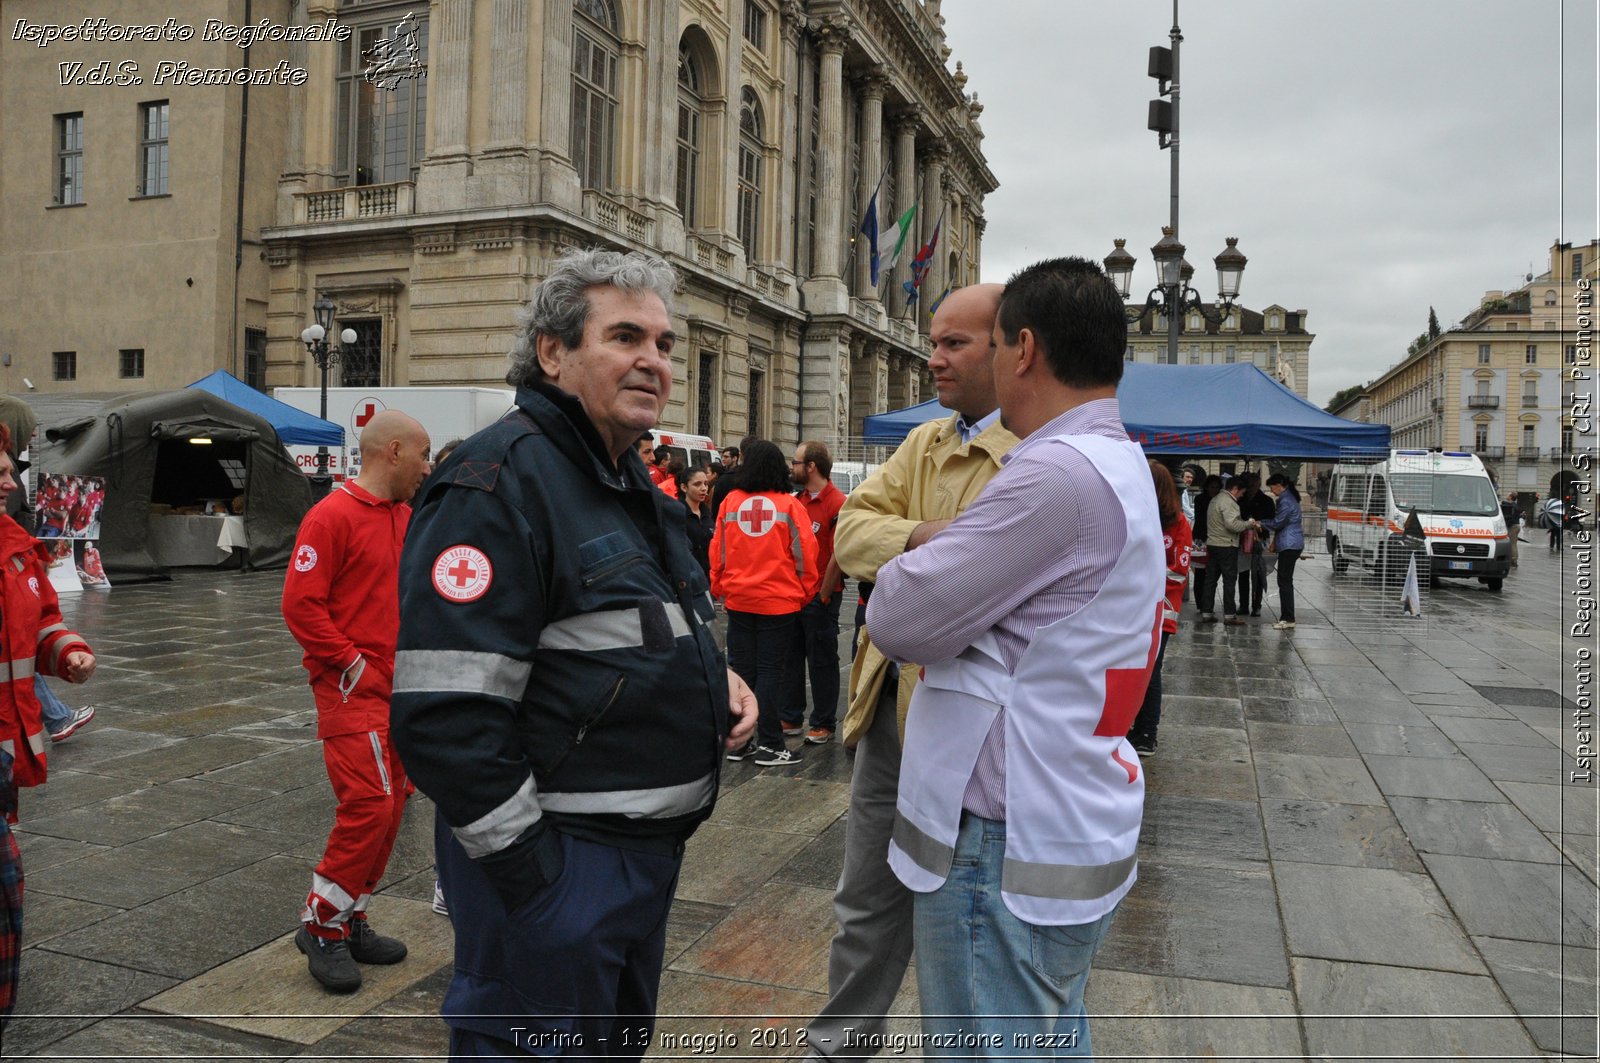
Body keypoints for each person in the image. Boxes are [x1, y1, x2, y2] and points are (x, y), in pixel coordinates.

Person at [390, 247, 755, 1060]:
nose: (654, 361)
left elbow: (626, 630)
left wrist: (716, 681)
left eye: (663, 344)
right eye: (626, 336)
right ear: (553, 352)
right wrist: (540, 884)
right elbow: (446, 715)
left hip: (638, 868)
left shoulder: (628, 482)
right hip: (563, 872)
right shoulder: (497, 482)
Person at [865, 257, 1163, 1057]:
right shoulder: (1116, 458)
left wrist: (918, 547)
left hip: (1002, 843)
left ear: (1023, 348)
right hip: (1063, 818)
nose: (989, 362)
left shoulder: (1053, 477)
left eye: (992, 343)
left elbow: (897, 613)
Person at [804, 283, 1019, 1061]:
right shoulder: (925, 443)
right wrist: (927, 533)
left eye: (954, 343)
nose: (933, 358)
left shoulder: (1035, 458)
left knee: (960, 924)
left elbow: (968, 588)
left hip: (973, 735)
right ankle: (837, 1049)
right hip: (890, 711)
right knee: (864, 903)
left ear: (1012, 347)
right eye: (933, 341)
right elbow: (849, 532)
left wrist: (901, 550)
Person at [282, 410, 432, 994]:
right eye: (422, 454)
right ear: (392, 451)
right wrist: (352, 663)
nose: (427, 465)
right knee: (370, 805)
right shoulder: (330, 517)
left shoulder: (403, 515)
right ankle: (321, 925)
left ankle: (348, 916)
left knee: (391, 807)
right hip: (354, 691)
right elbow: (301, 606)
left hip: (393, 687)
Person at [0, 424, 97, 1022]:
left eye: (10, 468)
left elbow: (39, 621)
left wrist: (67, 651)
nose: (12, 480)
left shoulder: (15, 544)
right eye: (2, 471)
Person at [714, 439, 818, 768]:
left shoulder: (730, 501)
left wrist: (720, 586)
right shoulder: (789, 507)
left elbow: (718, 550)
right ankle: (772, 744)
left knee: (742, 673)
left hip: (739, 599)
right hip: (778, 602)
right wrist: (804, 591)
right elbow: (805, 554)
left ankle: (739, 741)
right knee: (771, 672)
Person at [1127, 460, 1191, 756]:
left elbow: (1178, 571)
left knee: (1151, 669)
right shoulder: (1135, 516)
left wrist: (1141, 576)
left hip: (1160, 610)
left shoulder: (1179, 524)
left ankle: (1147, 733)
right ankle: (1131, 724)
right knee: (1133, 667)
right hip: (1131, 609)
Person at [786, 440, 847, 745]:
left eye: (796, 462)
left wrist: (823, 595)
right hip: (794, 595)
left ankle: (823, 721)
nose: (792, 467)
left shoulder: (837, 503)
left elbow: (838, 554)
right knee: (792, 655)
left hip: (821, 595)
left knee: (822, 660)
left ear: (811, 466)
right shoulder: (795, 500)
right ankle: (792, 715)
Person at [1257, 473, 1305, 630]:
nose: (1272, 491)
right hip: (1292, 542)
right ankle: (1287, 617)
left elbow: (1278, 522)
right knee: (1285, 580)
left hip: (1289, 544)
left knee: (1284, 581)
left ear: (1279, 485)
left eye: (1272, 487)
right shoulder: (1290, 497)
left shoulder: (1285, 500)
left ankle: (1288, 618)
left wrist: (1260, 523)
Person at [1202, 477, 1251, 625]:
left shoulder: (1215, 499)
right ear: (1234, 489)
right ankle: (1230, 615)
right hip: (1227, 545)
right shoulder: (1230, 503)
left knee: (1210, 580)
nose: (1241, 496)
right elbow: (1233, 525)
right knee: (1229, 580)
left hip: (1212, 544)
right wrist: (1249, 524)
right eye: (1241, 492)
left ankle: (1206, 612)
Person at [1238, 472, 1276, 617]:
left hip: (1260, 540)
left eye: (1254, 484)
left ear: (1259, 485)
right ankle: (1243, 605)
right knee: (1242, 572)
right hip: (1243, 539)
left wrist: (1260, 524)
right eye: (1249, 485)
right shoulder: (1241, 499)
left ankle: (1256, 605)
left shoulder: (1266, 500)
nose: (1251, 487)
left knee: (1259, 574)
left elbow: (1272, 521)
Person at [680, 464, 715, 577]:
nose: (704, 488)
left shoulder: (707, 513)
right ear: (684, 487)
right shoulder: (676, 513)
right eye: (697, 484)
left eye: (705, 483)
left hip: (710, 577)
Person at [1500, 491, 1520, 568]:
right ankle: (1512, 559)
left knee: (1512, 544)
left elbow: (1511, 517)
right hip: (1515, 526)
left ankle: (1514, 561)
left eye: (1508, 494)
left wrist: (1507, 524)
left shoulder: (1512, 506)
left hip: (1513, 527)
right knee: (1513, 543)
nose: (1506, 495)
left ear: (1511, 497)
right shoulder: (1514, 505)